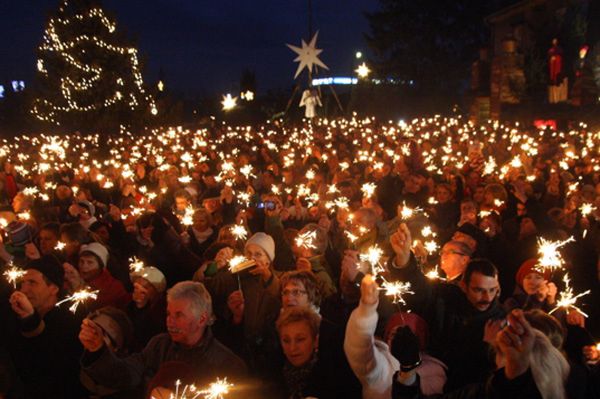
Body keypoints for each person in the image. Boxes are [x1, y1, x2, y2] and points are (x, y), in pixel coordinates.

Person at [80, 281, 247, 392]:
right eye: (168, 314)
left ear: (202, 319)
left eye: (179, 315)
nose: (170, 322)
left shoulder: (227, 365)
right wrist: (98, 351)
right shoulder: (159, 345)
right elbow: (126, 374)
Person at [344, 275, 446, 398]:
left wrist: (409, 368)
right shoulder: (380, 366)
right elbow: (359, 347)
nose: (398, 340)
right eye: (393, 334)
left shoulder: (435, 373)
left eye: (407, 337)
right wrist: (366, 309)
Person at [4, 256, 85, 398]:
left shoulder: (71, 320)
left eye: (32, 283)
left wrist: (30, 320)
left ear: (53, 288)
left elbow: (48, 364)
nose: (25, 289)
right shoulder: (14, 313)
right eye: (23, 283)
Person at [127, 266, 167, 351]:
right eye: (136, 286)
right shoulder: (129, 305)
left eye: (145, 288)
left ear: (157, 292)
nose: (138, 291)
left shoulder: (159, 315)